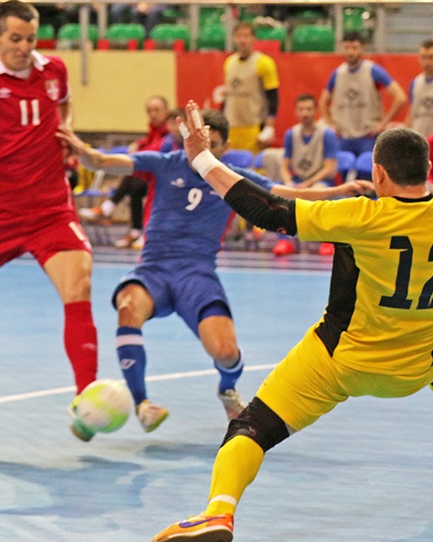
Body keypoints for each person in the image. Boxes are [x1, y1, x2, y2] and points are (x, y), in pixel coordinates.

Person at [148, 102, 433, 542]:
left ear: (379, 175)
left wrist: (202, 159)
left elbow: (269, 211)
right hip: (415, 365)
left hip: (339, 361)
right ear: (428, 169)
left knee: (252, 427)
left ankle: (219, 510)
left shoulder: (361, 216)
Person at [58, 109, 374, 441]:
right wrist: (78, 145)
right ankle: (143, 404)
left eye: (213, 145)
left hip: (197, 276)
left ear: (224, 147)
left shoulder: (232, 178)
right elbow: (101, 162)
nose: (201, 151)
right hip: (154, 269)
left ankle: (227, 390)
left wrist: (343, 190)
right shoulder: (166, 163)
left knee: (225, 352)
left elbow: (287, 194)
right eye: (196, 143)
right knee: (128, 306)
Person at [0, 0, 99, 414]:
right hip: (3, 211)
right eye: (14, 38)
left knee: (80, 286)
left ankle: (88, 399)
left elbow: (66, 104)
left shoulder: (54, 70)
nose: (24, 47)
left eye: (30, 38)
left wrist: (67, 127)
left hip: (50, 211)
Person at [79, 94, 170, 248]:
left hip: (165, 179)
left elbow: (156, 150)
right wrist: (138, 143)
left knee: (134, 182)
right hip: (150, 178)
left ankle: (110, 209)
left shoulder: (169, 132)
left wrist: (139, 149)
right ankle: (135, 231)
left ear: (166, 111)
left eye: (156, 110)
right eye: (149, 111)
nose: (153, 114)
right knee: (134, 184)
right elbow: (148, 143)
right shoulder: (153, 130)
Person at [273, 93, 341, 256]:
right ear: (296, 111)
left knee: (320, 194)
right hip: (298, 180)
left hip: (321, 181)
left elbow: (329, 167)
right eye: (302, 109)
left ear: (316, 111)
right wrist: (288, 182)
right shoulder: (291, 134)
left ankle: (327, 240)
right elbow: (284, 164)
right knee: (281, 195)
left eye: (309, 109)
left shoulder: (327, 134)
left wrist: (308, 184)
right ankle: (285, 240)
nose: (305, 113)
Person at [320, 31, 407, 156]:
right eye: (347, 48)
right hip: (343, 136)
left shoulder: (373, 71)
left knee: (366, 171)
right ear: (342, 49)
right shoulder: (337, 74)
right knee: (341, 170)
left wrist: (383, 123)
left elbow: (400, 97)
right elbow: (323, 101)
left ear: (362, 49)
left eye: (354, 48)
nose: (350, 52)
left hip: (367, 136)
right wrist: (330, 124)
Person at [223, 22, 279, 153]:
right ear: (233, 38)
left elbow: (273, 97)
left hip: (253, 125)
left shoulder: (264, 63)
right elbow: (228, 96)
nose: (242, 40)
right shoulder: (229, 63)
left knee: (253, 167)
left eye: (246, 36)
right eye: (239, 36)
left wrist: (269, 127)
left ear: (253, 38)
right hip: (232, 125)